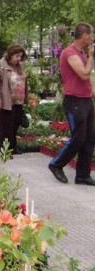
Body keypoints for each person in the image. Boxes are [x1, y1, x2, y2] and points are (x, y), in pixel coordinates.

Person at [48, 22, 95, 186]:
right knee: (78, 137)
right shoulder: (70, 53)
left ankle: (82, 175)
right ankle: (56, 164)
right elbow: (84, 74)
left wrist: (92, 94)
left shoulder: (80, 53)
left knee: (89, 138)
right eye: (92, 35)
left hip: (85, 100)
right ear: (85, 35)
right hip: (74, 101)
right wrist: (91, 57)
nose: (93, 38)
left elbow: (86, 80)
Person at [0, 44, 28, 157]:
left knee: (16, 123)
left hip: (18, 100)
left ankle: (12, 147)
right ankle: (4, 150)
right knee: (6, 126)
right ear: (10, 55)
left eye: (20, 56)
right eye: (17, 56)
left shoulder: (20, 65)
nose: (19, 59)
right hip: (6, 100)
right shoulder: (1, 65)